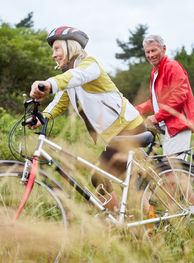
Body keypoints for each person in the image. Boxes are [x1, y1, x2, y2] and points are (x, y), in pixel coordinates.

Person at [29, 25, 146, 212]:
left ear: (70, 46)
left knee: (100, 178)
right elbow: (60, 102)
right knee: (121, 179)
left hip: (129, 128)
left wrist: (49, 83)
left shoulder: (89, 65)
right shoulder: (71, 78)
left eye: (57, 48)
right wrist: (42, 117)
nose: (54, 55)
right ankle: (123, 219)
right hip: (115, 135)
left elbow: (76, 76)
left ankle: (126, 225)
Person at [135, 35, 194, 217]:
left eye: (154, 50)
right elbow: (156, 101)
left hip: (179, 124)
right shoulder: (156, 72)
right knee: (173, 172)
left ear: (163, 49)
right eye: (147, 52)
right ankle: (175, 213)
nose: (150, 54)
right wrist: (136, 110)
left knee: (174, 173)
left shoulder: (171, 66)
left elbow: (179, 96)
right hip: (168, 126)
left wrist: (157, 117)